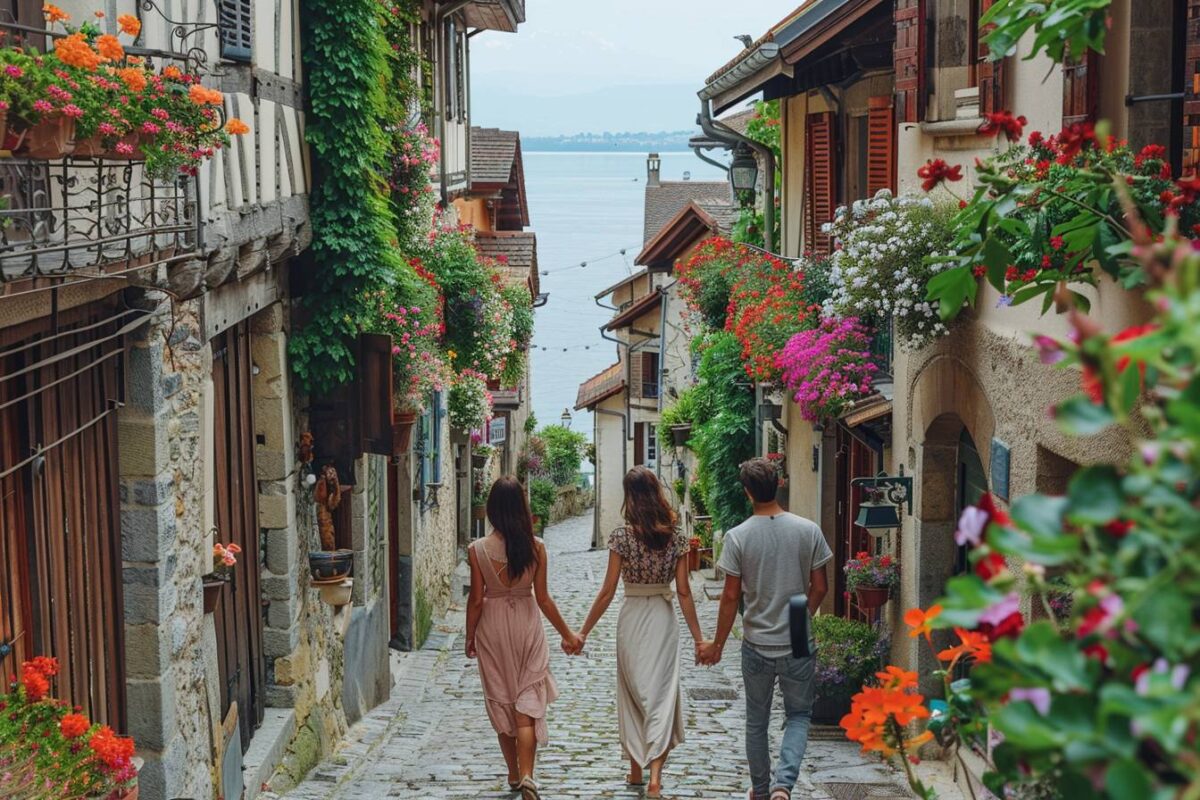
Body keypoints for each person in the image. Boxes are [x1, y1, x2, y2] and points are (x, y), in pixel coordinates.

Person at [698, 458, 831, 800]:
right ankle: (783, 787)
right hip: (797, 634)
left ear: (747, 493)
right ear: (779, 483)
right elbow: (820, 587)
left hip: (757, 637)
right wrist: (803, 616)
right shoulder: (808, 529)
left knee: (757, 721)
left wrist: (716, 644)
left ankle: (759, 790)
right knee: (799, 714)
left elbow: (730, 596)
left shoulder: (738, 537)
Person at [575, 466, 704, 799]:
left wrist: (583, 632)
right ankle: (652, 778)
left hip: (632, 618)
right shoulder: (674, 536)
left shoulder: (621, 537)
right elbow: (684, 591)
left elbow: (607, 591)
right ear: (656, 493)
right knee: (661, 695)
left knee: (633, 694)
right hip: (662, 618)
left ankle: (636, 768)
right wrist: (699, 637)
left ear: (630, 497)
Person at [465, 476, 583, 800]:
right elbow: (544, 598)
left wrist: (469, 637)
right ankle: (529, 774)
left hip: (493, 629)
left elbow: (476, 599)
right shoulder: (537, 548)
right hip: (528, 626)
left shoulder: (477, 551)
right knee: (526, 705)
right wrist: (568, 634)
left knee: (502, 699)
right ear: (522, 506)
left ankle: (514, 774)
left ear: (491, 509)